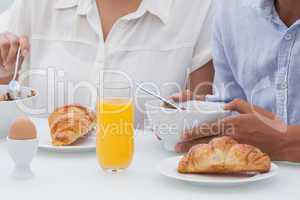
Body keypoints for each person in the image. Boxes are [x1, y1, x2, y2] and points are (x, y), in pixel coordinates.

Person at [0, 0, 214, 126]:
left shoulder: (198, 9)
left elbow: (202, 127)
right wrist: (6, 76)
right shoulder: (36, 5)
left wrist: (183, 117)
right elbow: (7, 91)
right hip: (37, 182)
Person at [173, 0, 300, 163]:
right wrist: (203, 113)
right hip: (255, 181)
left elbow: (275, 139)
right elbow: (235, 103)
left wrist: (285, 140)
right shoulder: (231, 10)